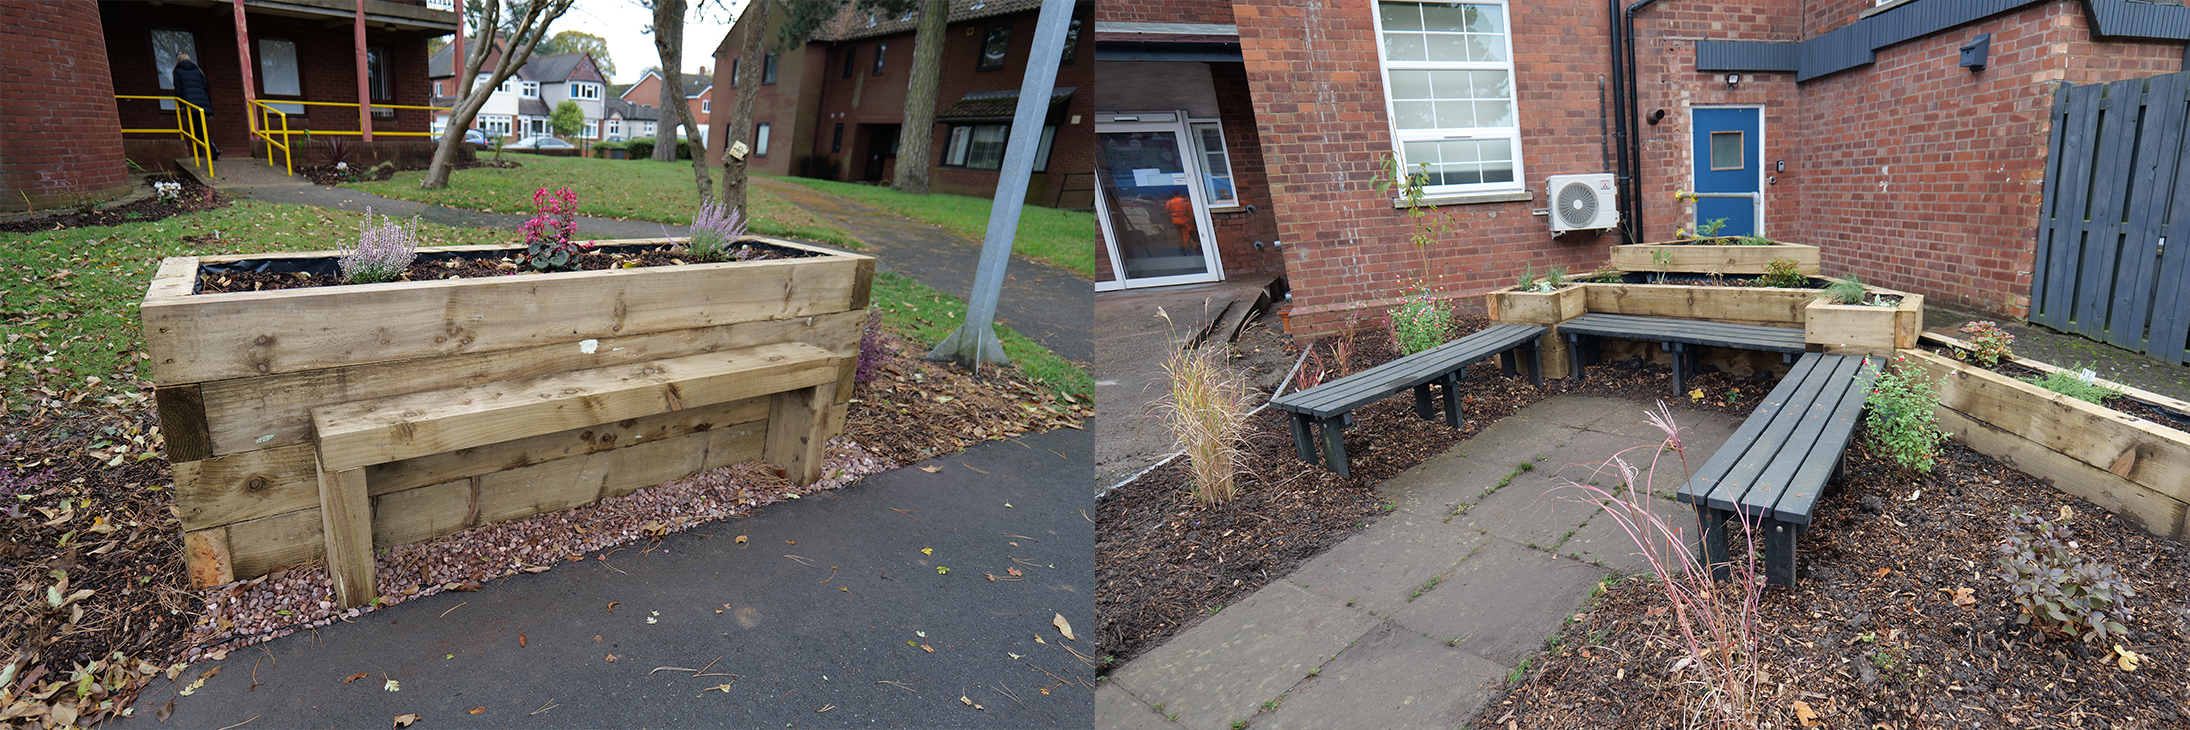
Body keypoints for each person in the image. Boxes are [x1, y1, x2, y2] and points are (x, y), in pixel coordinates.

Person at [171, 53, 219, 160]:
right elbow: (205, 86)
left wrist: (180, 104)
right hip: (202, 103)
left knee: (197, 129)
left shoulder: (177, 71)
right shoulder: (197, 70)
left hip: (190, 103)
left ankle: (212, 147)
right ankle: (199, 152)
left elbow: (178, 89)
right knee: (199, 128)